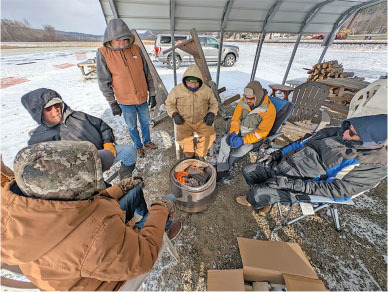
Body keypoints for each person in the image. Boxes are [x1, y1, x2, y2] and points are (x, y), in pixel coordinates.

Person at [1, 140, 181, 291]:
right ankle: (157, 231)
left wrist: (119, 189)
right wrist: (161, 207)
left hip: (94, 247)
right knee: (170, 198)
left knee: (134, 190)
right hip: (109, 280)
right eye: (92, 177)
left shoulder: (29, 202)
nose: (99, 177)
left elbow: (86, 205)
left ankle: (146, 225)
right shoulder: (94, 238)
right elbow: (144, 257)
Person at [236, 114, 388, 215]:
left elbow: (338, 190)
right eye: (349, 128)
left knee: (257, 194)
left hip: (306, 186)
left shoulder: (372, 164)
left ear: (370, 141)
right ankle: (266, 198)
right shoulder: (336, 132)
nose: (345, 134)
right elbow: (301, 142)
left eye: (353, 133)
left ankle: (258, 200)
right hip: (285, 165)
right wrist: (278, 154)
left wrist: (292, 184)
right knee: (249, 170)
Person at [21, 88, 136, 179]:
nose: (55, 110)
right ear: (39, 113)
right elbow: (41, 169)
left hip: (103, 153)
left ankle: (125, 175)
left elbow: (101, 125)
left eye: (57, 105)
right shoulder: (38, 139)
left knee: (130, 151)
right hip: (81, 172)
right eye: (48, 108)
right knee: (101, 194)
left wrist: (108, 142)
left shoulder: (78, 116)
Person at [97, 18, 157, 158]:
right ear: (111, 38)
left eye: (125, 39)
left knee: (145, 122)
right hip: (125, 100)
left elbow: (147, 72)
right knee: (132, 126)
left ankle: (147, 141)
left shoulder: (136, 49)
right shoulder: (103, 53)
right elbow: (103, 80)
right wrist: (112, 102)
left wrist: (152, 94)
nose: (122, 43)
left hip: (142, 96)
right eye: (118, 40)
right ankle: (138, 146)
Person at [216, 80, 276, 181]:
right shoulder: (243, 101)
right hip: (240, 131)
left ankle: (229, 165)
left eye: (251, 99)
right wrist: (234, 132)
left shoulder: (269, 110)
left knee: (242, 150)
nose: (248, 101)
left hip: (255, 138)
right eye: (246, 97)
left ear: (258, 96)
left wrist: (243, 140)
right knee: (224, 141)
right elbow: (236, 119)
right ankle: (221, 168)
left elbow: (262, 133)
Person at [165, 64, 218, 159]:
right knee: (184, 139)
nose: (193, 85)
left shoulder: (206, 90)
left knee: (209, 136)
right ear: (185, 81)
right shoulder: (177, 90)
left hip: (202, 120)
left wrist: (211, 113)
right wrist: (174, 114)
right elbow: (169, 104)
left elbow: (214, 104)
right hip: (184, 121)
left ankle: (199, 156)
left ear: (200, 81)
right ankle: (189, 156)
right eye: (190, 83)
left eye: (195, 83)